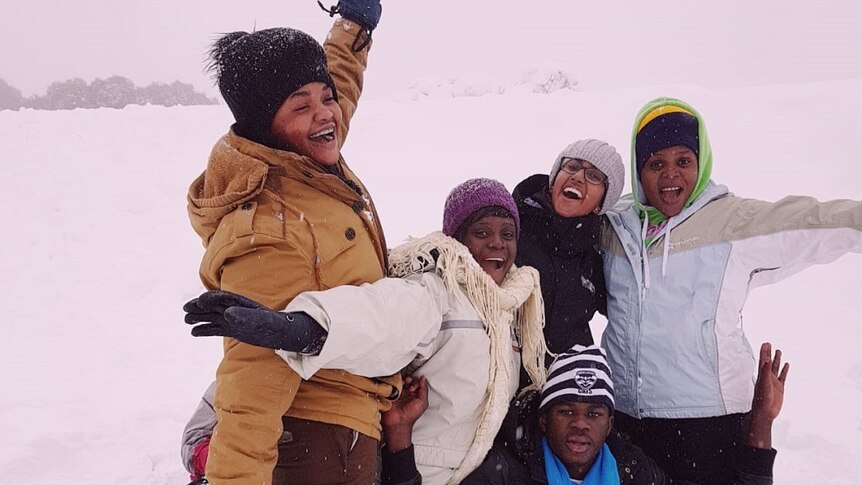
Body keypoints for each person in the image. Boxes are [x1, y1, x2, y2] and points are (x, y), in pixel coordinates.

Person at [185, 178, 549, 484]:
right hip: (399, 467)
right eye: (481, 232)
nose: (497, 242)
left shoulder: (515, 307)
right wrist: (302, 329)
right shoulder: (438, 292)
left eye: (507, 233)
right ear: (456, 240)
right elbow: (383, 318)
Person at [600, 96, 862, 484]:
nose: (670, 176)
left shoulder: (730, 222)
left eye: (683, 161)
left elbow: (810, 221)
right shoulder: (615, 227)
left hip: (712, 424)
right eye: (656, 164)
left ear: (701, 161)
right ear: (640, 173)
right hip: (627, 419)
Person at [184, 1, 395, 483]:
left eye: (327, 96)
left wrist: (354, 26)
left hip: (353, 424)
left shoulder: (305, 162)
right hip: (321, 443)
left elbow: (337, 79)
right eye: (302, 105)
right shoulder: (268, 230)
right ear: (266, 126)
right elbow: (250, 390)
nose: (326, 114)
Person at [381, 342, 788, 485]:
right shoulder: (505, 474)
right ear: (543, 420)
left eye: (594, 413)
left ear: (610, 424)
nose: (580, 423)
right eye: (566, 410)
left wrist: (762, 424)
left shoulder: (633, 473)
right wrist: (399, 436)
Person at [513, 139, 625, 360]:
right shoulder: (511, 226)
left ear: (600, 204)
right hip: (505, 377)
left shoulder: (595, 259)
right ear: (554, 181)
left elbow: (629, 310)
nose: (578, 176)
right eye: (572, 166)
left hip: (568, 384)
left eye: (593, 175)